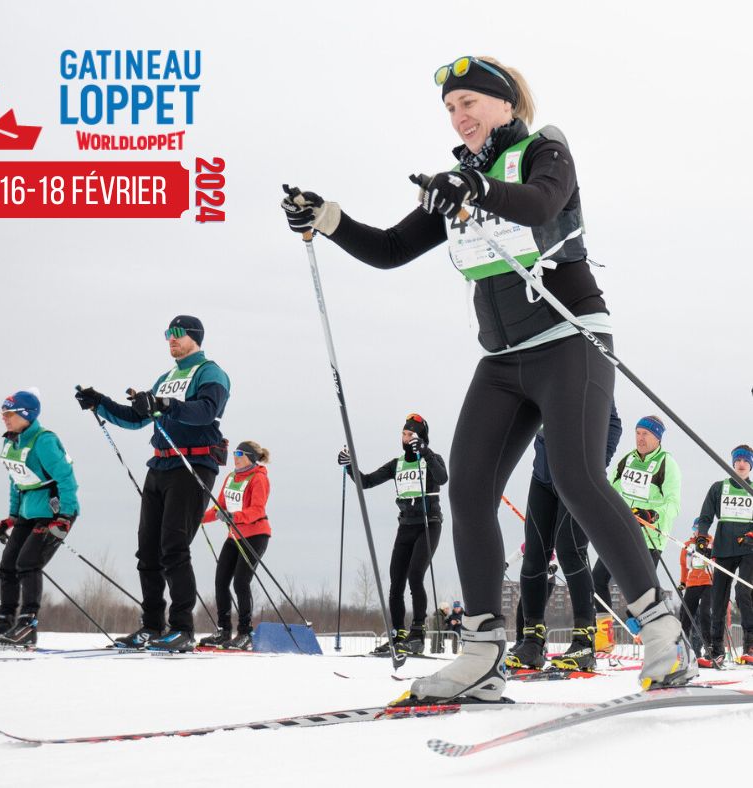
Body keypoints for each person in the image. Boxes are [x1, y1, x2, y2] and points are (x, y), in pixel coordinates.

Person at [281, 55, 696, 700]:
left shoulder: (543, 150)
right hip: (504, 358)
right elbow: (390, 249)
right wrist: (328, 222)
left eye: (470, 101)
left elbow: (540, 203)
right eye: (450, 108)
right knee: (469, 487)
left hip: (570, 337)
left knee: (578, 475)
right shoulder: (457, 181)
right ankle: (482, 654)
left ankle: (664, 633)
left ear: (506, 104)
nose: (460, 115)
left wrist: (473, 190)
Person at [75, 315, 230, 652]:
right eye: (167, 334)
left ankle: (182, 628)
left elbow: (206, 410)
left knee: (173, 547)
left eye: (177, 334)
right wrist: (99, 401)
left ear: (195, 337)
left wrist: (163, 404)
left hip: (192, 465)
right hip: (160, 465)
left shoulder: (209, 372)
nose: (171, 340)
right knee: (148, 550)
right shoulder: (166, 378)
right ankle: (151, 626)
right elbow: (136, 418)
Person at [508, 405, 622, 671]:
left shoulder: (588, 366)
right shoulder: (538, 369)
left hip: (577, 475)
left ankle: (584, 642)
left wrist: (596, 464)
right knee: (534, 555)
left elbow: (613, 423)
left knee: (569, 550)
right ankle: (532, 642)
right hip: (542, 476)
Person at [0, 389, 79, 646]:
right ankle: (4, 623)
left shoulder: (44, 440)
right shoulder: (11, 442)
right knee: (7, 566)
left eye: (9, 413)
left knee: (27, 563)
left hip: (53, 514)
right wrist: (11, 517)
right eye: (3, 413)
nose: (4, 418)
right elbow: (16, 481)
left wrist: (64, 516)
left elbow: (66, 479)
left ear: (26, 415)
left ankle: (27, 626)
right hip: (28, 513)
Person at [338, 414, 448, 655]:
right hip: (406, 526)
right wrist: (349, 466)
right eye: (404, 434)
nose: (406, 439)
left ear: (421, 438)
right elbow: (365, 482)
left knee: (415, 575)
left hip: (428, 525)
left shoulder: (432, 459)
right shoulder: (397, 464)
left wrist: (426, 452)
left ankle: (417, 633)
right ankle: (398, 635)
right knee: (396, 582)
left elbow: (443, 478)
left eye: (411, 435)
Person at [593, 415, 682, 612]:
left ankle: (658, 635)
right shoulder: (628, 460)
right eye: (638, 433)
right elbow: (612, 492)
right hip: (620, 531)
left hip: (648, 537)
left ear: (657, 438)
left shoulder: (667, 463)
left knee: (644, 594)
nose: (640, 438)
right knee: (597, 580)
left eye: (646, 434)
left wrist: (652, 514)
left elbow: (673, 504)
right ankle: (604, 636)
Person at [198, 440, 272, 651]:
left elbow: (257, 509)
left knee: (241, 582)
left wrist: (232, 516)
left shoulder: (259, 478)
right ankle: (223, 631)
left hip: (256, 535)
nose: (235, 457)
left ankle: (245, 633)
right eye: (235, 453)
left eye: (240, 454)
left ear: (250, 457)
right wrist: (198, 518)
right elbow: (219, 507)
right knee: (221, 580)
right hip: (235, 535)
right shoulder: (231, 477)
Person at [696, 445, 753, 665]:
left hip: (749, 549)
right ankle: (716, 648)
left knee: (743, 591)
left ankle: (750, 644)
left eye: (746, 461)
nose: (741, 464)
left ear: (750, 465)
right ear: (732, 463)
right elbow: (705, 516)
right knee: (718, 597)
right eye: (737, 460)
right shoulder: (719, 488)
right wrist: (702, 537)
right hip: (724, 548)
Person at [679, 518, 713, 661]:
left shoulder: (712, 542)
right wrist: (682, 582)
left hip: (708, 582)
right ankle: (683, 647)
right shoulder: (687, 545)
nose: (697, 532)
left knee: (706, 612)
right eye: (695, 529)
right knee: (685, 614)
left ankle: (709, 646)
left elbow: (719, 563)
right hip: (692, 583)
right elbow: (684, 565)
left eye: (700, 529)